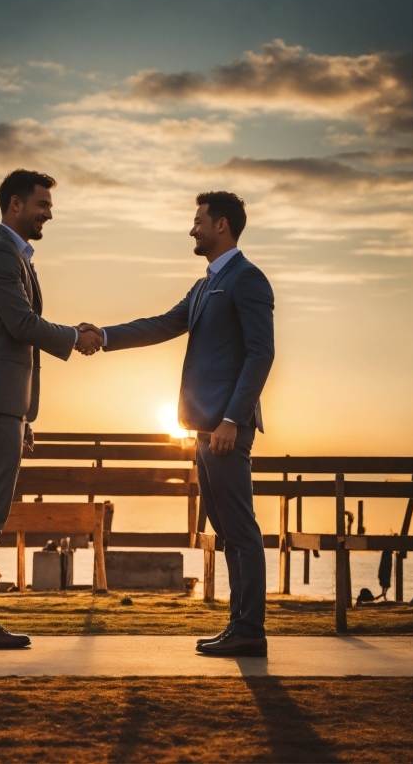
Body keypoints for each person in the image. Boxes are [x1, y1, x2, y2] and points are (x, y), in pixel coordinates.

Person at [80, 191, 274, 657]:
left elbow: (261, 353)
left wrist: (232, 418)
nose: (192, 229)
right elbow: (163, 324)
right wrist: (102, 337)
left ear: (221, 225)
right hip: (204, 430)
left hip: (226, 429)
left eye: (198, 221)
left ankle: (250, 630)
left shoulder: (247, 280)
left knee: (241, 528)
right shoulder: (206, 285)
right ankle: (238, 625)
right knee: (226, 528)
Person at [0, 169, 102, 651]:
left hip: (6, 405)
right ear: (15, 204)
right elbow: (21, 325)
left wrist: (25, 417)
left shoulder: (17, 256)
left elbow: (18, 333)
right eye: (42, 204)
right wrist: (74, 338)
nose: (49, 213)